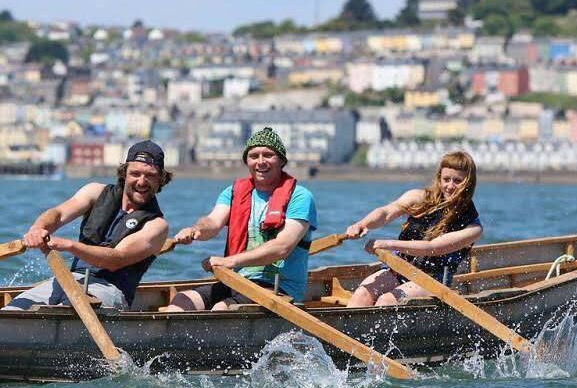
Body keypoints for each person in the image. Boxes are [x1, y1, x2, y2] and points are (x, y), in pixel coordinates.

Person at [3, 140, 172, 311]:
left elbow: (116, 259)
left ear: (160, 179)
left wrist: (69, 246)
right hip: (69, 279)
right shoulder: (95, 192)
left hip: (109, 290)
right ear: (125, 174)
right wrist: (38, 229)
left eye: (150, 175)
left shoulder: (157, 226)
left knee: (61, 313)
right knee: (12, 310)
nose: (142, 182)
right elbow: (58, 214)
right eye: (135, 174)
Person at [164, 127, 317, 311]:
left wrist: (230, 261)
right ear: (247, 161)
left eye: (268, 155)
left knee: (222, 309)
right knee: (182, 301)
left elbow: (282, 247)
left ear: (281, 160)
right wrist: (195, 230)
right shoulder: (234, 193)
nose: (260, 162)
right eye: (254, 156)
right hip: (236, 282)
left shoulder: (300, 197)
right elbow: (212, 223)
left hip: (280, 288)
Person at [345, 151, 482, 307]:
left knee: (387, 301)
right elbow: (387, 212)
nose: (450, 186)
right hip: (399, 269)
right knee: (363, 293)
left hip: (433, 279)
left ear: (468, 183)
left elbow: (432, 248)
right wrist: (362, 224)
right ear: (439, 178)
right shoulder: (419, 198)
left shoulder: (473, 228)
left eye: (457, 181)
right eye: (446, 179)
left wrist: (387, 244)